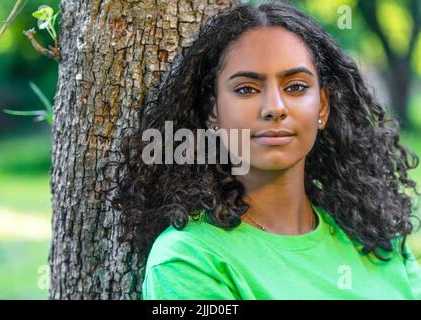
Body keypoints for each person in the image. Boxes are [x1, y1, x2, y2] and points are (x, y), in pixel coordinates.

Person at [108, 1, 421, 299]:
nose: (275, 108)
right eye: (247, 89)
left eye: (296, 86)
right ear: (213, 113)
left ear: (322, 106)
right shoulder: (190, 261)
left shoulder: (376, 237)